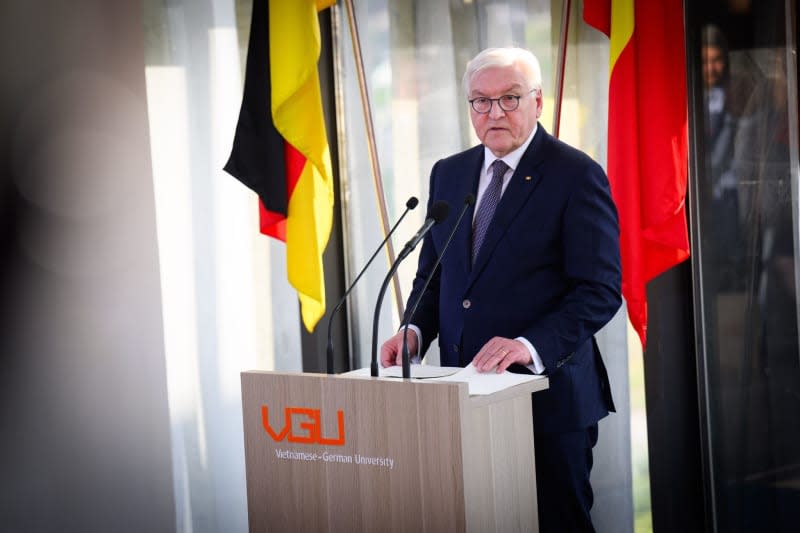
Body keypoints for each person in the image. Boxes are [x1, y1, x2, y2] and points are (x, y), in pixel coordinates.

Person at [380, 47, 621, 532]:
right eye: (480, 102)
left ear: (536, 101)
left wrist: (527, 346)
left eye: (509, 99)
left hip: (547, 401)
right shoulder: (449, 172)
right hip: (462, 396)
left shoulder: (575, 174)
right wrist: (413, 330)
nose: (494, 113)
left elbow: (599, 289)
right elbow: (435, 273)